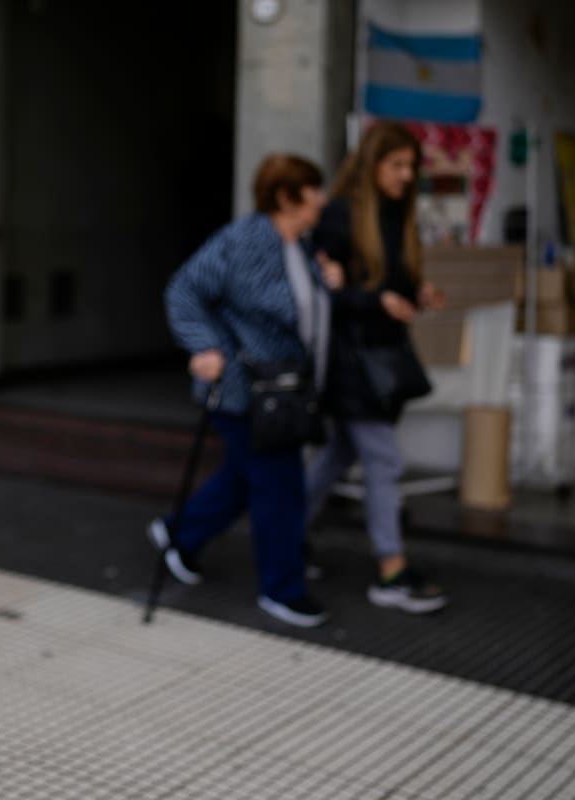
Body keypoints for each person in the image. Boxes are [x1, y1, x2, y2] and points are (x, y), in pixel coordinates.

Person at [148, 153, 332, 628]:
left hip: (285, 389)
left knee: (242, 479)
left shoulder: (300, 246)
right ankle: (282, 589)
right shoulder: (246, 239)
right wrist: (205, 346)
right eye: (314, 191)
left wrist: (329, 283)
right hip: (246, 390)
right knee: (280, 487)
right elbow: (184, 290)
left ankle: (178, 535)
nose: (322, 200)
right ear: (288, 197)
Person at [306, 120, 448, 614]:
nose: (407, 176)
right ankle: (392, 570)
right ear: (373, 164)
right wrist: (376, 303)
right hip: (351, 362)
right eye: (398, 165)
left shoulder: (396, 216)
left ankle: (285, 536)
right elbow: (323, 294)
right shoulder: (341, 216)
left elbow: (384, 284)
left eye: (411, 166)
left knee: (336, 458)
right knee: (384, 460)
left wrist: (415, 295)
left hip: (384, 361)